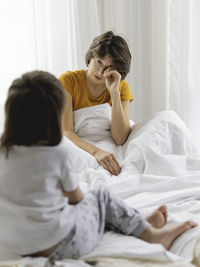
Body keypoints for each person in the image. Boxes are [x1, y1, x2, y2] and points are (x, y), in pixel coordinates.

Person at [0, 71, 197, 266]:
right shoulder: (56, 154)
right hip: (61, 244)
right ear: (53, 115)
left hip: (15, 243)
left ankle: (137, 221)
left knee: (75, 208)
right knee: (100, 198)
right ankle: (152, 234)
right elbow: (76, 198)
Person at [59, 31, 133, 176]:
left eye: (109, 67)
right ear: (90, 58)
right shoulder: (68, 81)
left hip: (107, 142)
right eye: (99, 62)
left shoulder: (121, 87)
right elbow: (66, 132)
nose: (101, 71)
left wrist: (114, 93)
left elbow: (120, 138)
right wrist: (97, 152)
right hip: (77, 143)